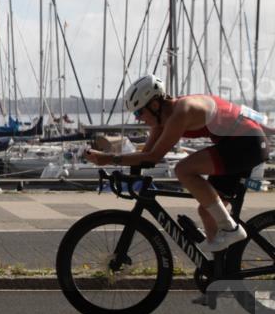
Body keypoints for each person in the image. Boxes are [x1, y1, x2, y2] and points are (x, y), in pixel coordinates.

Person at [86, 74, 269, 253]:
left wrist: (108, 159)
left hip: (247, 142)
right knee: (207, 212)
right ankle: (218, 271)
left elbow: (154, 157)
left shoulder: (181, 112)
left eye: (138, 112)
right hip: (236, 143)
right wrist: (117, 165)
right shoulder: (160, 120)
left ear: (155, 104)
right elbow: (145, 156)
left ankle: (230, 229)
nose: (138, 118)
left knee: (183, 169)